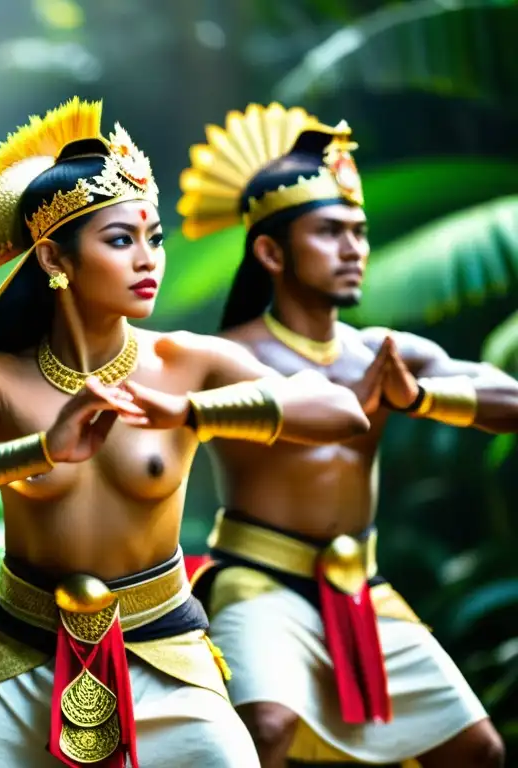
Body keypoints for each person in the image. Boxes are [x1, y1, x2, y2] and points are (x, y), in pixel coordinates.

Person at [0, 97, 371, 768]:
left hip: (163, 645)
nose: (148, 260)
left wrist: (193, 414)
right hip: (22, 652)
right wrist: (39, 451)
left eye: (154, 238)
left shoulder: (187, 365)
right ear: (54, 257)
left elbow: (342, 414)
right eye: (120, 240)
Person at [178, 102, 515, 767]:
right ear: (271, 251)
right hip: (258, 580)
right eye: (330, 232)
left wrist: (422, 397)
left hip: (363, 585)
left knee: (478, 752)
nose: (354, 249)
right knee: (265, 730)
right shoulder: (224, 354)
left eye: (359, 232)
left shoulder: (384, 353)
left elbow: (509, 398)